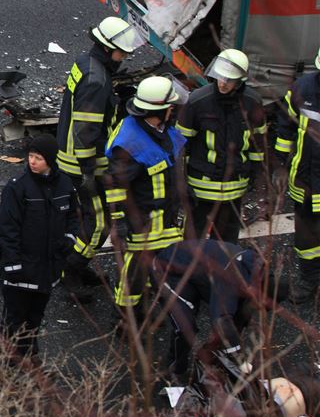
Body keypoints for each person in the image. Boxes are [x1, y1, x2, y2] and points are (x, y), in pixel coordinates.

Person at [57, 16, 143, 300]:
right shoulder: (97, 80)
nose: (124, 57)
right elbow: (86, 130)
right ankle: (72, 271)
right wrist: (90, 172)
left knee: (88, 219)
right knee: (99, 224)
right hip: (83, 163)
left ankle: (77, 266)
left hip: (70, 154)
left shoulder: (85, 63)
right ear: (107, 48)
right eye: (122, 52)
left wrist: (114, 100)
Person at [104, 75, 188, 323]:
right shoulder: (129, 144)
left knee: (159, 268)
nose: (173, 110)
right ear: (158, 110)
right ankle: (125, 320)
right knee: (134, 275)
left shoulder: (161, 130)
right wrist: (119, 223)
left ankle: (146, 310)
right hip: (142, 221)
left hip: (165, 218)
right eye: (170, 106)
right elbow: (115, 186)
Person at [0, 134, 78, 366]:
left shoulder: (65, 185)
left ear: (50, 159)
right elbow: (8, 228)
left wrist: (69, 240)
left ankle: (29, 355)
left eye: (38, 158)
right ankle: (11, 362)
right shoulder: (17, 187)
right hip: (21, 269)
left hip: (47, 269)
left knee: (35, 316)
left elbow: (73, 217)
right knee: (14, 318)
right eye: (30, 156)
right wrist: (13, 264)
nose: (32, 161)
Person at [150, 239, 282, 381]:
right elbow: (222, 319)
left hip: (197, 272)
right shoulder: (231, 278)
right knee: (185, 327)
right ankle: (174, 370)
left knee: (236, 315)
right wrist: (239, 358)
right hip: (167, 270)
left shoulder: (259, 273)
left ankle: (210, 355)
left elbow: (238, 319)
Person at [175, 49, 267, 243]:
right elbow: (180, 145)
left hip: (235, 188)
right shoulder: (198, 101)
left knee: (227, 245)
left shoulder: (252, 102)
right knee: (193, 243)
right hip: (200, 188)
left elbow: (258, 145)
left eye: (229, 79)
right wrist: (181, 182)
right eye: (220, 76)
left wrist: (257, 174)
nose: (223, 83)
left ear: (240, 80)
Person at [275, 46, 320, 306]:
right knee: (305, 235)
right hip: (304, 179)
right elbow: (285, 126)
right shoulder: (302, 89)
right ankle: (309, 279)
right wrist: (280, 164)